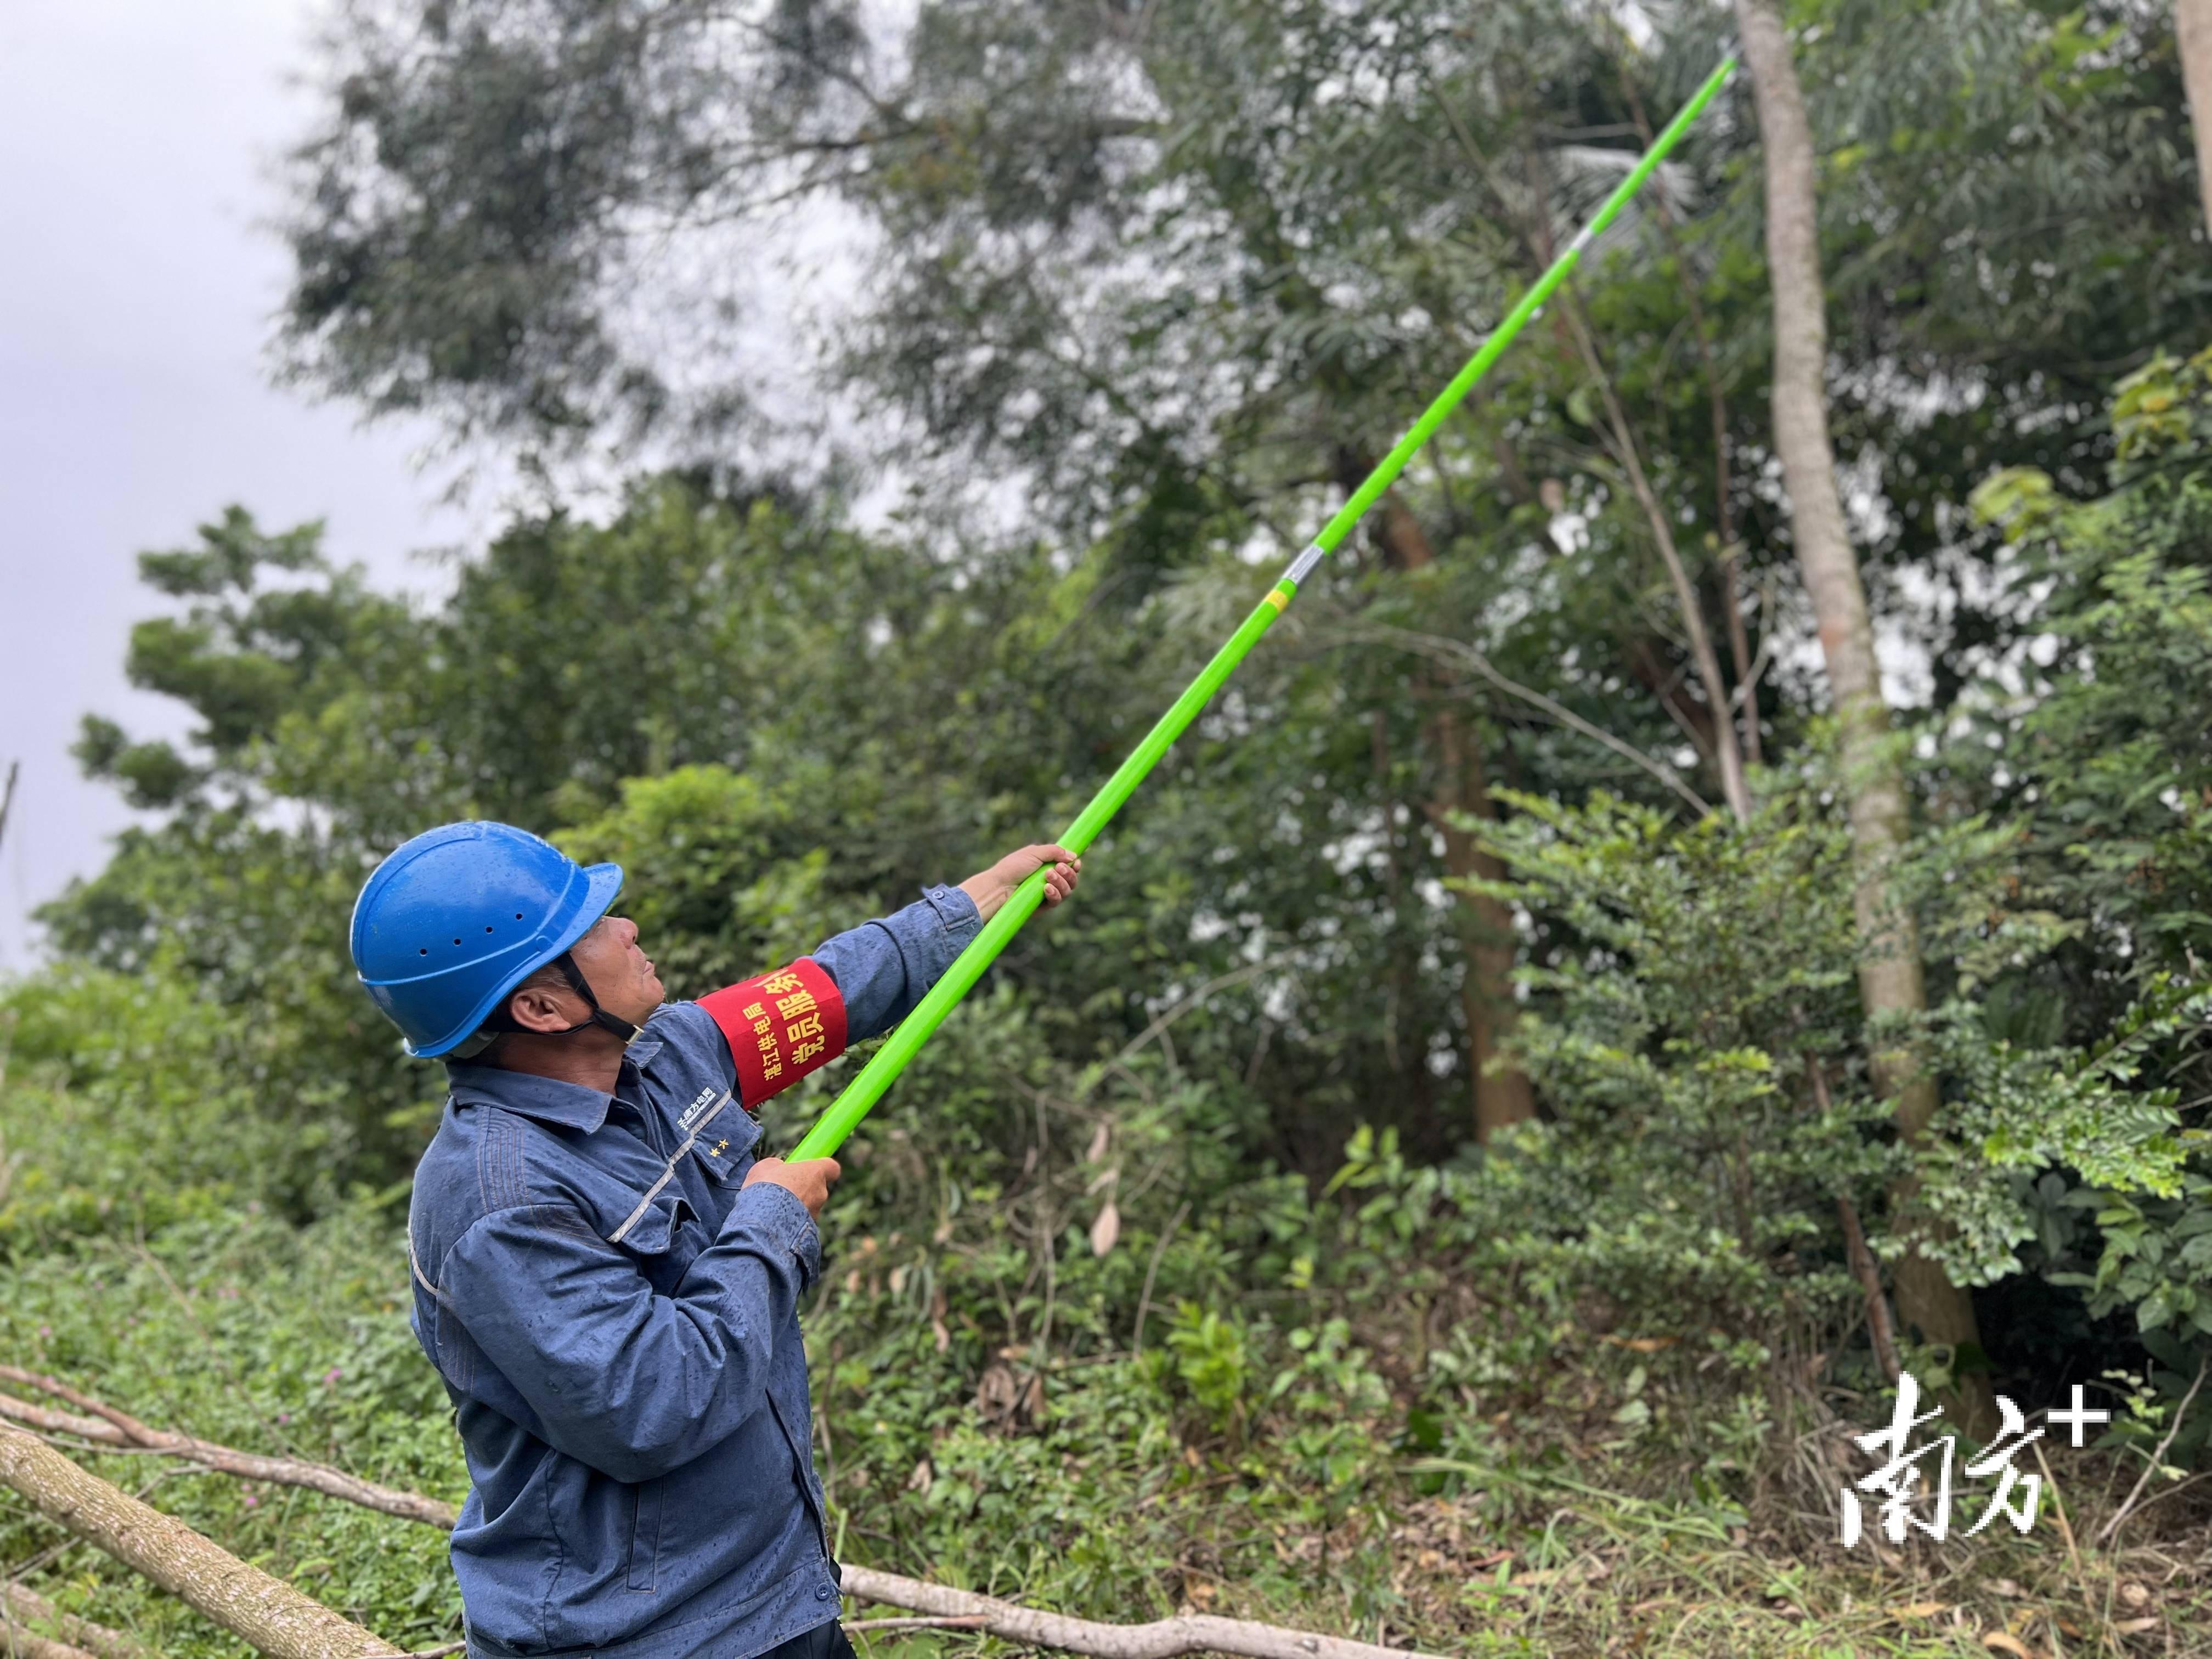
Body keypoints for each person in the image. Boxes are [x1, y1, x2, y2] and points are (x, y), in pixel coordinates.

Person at [348, 821, 1080, 1659]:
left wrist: (985, 897)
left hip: (775, 1598)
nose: (626, 929)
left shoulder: (669, 1055)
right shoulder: (498, 1202)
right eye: (593, 931)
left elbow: (831, 990)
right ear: (542, 1008)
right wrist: (770, 1219)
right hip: (642, 1639)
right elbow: (652, 1403)